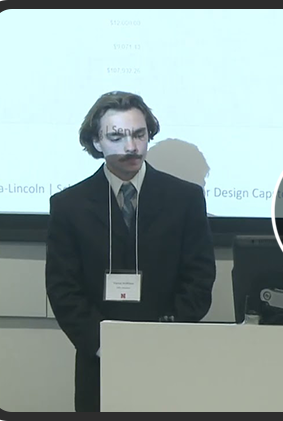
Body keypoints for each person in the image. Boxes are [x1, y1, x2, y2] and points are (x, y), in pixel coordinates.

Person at [45, 91, 217, 411]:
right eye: (117, 137)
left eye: (139, 134)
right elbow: (63, 287)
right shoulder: (70, 206)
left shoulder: (185, 199)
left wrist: (164, 336)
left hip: (170, 355)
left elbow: (199, 277)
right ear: (96, 142)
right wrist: (102, 345)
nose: (131, 147)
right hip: (99, 363)